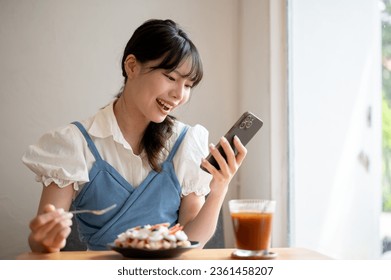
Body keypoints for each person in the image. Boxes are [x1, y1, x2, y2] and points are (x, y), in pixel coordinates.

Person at [22, 19, 247, 253]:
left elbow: (192, 242)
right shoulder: (74, 143)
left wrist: (220, 187)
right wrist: (47, 239)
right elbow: (39, 242)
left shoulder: (185, 143)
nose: (179, 95)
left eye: (188, 85)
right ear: (131, 66)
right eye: (170, 77)